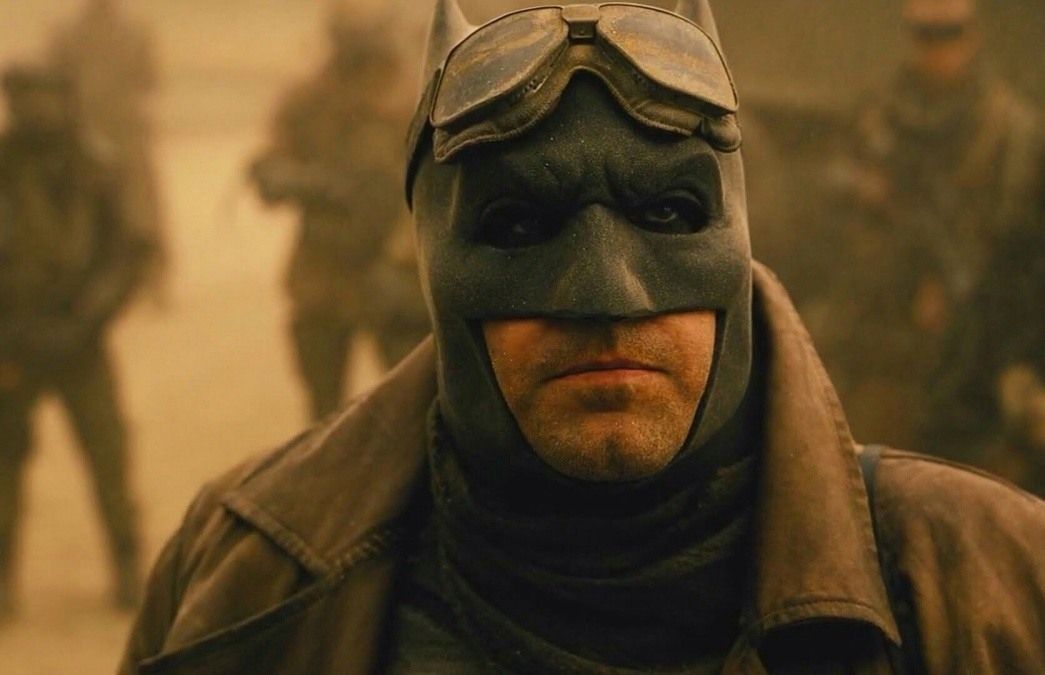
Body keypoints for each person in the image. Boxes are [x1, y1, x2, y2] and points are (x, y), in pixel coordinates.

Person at [121, 2, 1045, 672]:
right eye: (519, 226)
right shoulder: (243, 577)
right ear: (435, 265)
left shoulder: (986, 582)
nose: (607, 298)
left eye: (670, 212)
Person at [823, 0, 1044, 451]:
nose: (936, 50)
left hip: (973, 331)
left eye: (949, 34)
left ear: (973, 35)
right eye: (924, 34)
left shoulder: (1009, 128)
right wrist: (863, 188)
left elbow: (1017, 243)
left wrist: (956, 286)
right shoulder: (881, 112)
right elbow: (830, 176)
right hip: (874, 321)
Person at [0, 65, 153, 617]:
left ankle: (127, 568)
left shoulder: (96, 167)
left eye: (46, 97)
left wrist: (85, 320)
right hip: (11, 346)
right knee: (4, 465)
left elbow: (125, 254)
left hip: (80, 343)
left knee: (108, 457)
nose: (36, 110)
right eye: (24, 98)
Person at [249, 3, 424, 421]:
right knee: (323, 416)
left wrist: (400, 259)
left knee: (416, 412)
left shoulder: (411, 96)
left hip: (395, 274)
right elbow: (269, 167)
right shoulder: (310, 99)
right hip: (323, 275)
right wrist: (312, 184)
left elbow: (439, 184)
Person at [50, 0, 168, 305]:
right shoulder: (132, 33)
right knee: (136, 203)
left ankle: (146, 275)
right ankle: (151, 276)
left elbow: (54, 82)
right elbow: (149, 80)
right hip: (115, 129)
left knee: (100, 203)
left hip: (92, 128)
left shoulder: (68, 34)